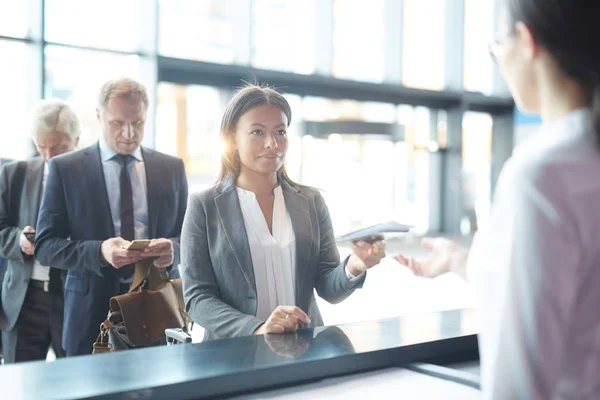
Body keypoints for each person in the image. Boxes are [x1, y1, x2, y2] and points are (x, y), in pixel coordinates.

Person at [394, 1, 600, 398]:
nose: (500, 62)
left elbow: (519, 382)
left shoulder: (542, 175)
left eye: (497, 45)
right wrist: (461, 261)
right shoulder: (583, 156)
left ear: (526, 41)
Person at [181, 84, 386, 340]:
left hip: (304, 349)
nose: (272, 144)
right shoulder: (204, 205)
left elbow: (328, 287)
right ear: (232, 138)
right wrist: (257, 328)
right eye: (257, 132)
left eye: (280, 132)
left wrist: (355, 265)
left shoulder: (311, 201)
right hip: (234, 353)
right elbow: (197, 298)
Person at [35, 77, 188, 356]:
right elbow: (45, 247)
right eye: (118, 123)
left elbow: (189, 237)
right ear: (98, 116)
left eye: (138, 123)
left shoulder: (172, 168)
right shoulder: (66, 169)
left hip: (158, 308)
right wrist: (99, 251)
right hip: (90, 312)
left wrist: (174, 251)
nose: (129, 133)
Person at [0, 100, 80, 363]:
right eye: (40, 146)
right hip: (23, 301)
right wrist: (19, 240)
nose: (47, 155)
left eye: (56, 148)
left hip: (71, 297)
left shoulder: (90, 179)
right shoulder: (13, 174)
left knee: (76, 382)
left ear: (75, 140)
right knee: (18, 385)